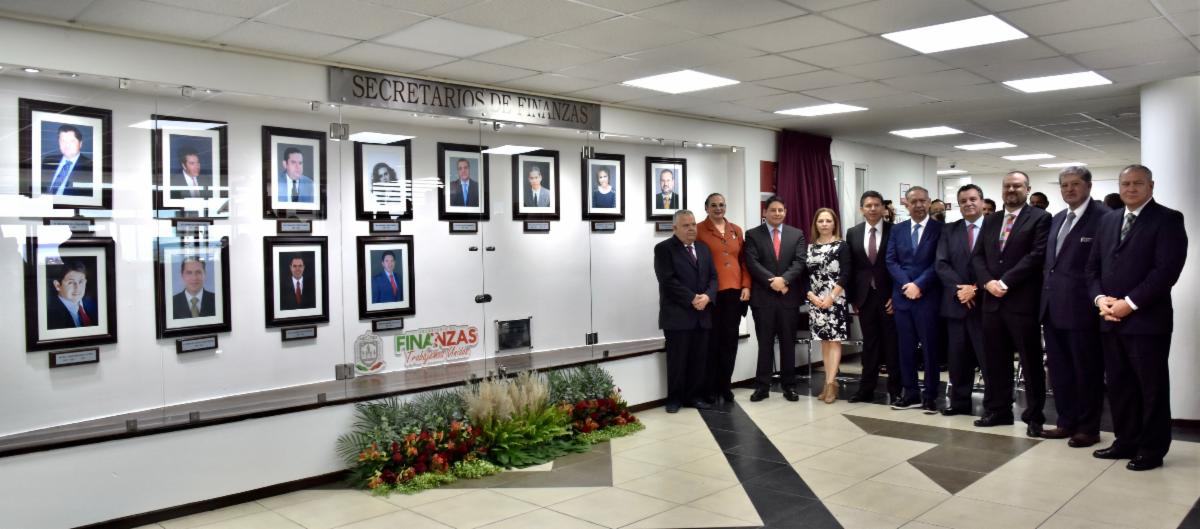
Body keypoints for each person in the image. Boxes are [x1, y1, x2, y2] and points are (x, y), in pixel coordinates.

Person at [1087, 164, 1187, 471]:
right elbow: (1092, 268)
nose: (1131, 188)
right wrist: (1101, 299)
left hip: (1146, 322)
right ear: (1119, 187)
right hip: (1109, 318)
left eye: (1138, 183)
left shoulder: (1168, 219)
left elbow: (1166, 272)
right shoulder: (1108, 220)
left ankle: (1152, 448)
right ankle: (1125, 441)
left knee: (1150, 387)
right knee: (1119, 385)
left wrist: (1129, 304)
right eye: (1126, 183)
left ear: (1151, 186)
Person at [972, 171, 1051, 437]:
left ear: (1027, 189)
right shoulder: (990, 219)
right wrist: (987, 282)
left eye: (1017, 186)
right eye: (1007, 186)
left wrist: (1005, 282)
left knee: (1030, 363)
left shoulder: (1040, 218)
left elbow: (1036, 255)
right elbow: (978, 257)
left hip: (1022, 303)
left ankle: (1034, 416)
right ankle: (999, 410)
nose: (1011, 190)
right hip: (991, 303)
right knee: (995, 361)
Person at [1040, 166, 1109, 446]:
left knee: (1087, 372)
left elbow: (1104, 266)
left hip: (1083, 310)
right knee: (1060, 372)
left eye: (1075, 184)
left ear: (1089, 186)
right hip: (1052, 309)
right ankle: (1065, 422)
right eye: (1064, 185)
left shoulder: (1104, 218)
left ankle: (1088, 428)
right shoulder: (1057, 219)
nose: (1069, 189)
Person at [744, 196, 807, 402]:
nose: (777, 213)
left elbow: (800, 262)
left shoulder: (796, 234)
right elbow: (752, 263)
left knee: (788, 343)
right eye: (773, 210)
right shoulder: (753, 234)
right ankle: (762, 387)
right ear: (765, 212)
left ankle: (789, 386)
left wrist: (784, 280)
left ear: (785, 212)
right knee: (765, 344)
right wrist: (773, 282)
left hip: (788, 298)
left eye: (781, 210)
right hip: (763, 299)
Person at [653, 209, 717, 413]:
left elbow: (713, 278)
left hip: (702, 314)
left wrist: (707, 296)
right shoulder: (663, 249)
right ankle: (674, 399)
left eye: (693, 224)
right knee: (677, 361)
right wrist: (692, 299)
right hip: (677, 316)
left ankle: (694, 397)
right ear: (675, 228)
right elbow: (667, 280)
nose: (691, 229)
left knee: (699, 360)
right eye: (686, 225)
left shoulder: (703, 248)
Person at [886, 186, 943, 412]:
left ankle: (930, 395)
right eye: (914, 201)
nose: (918, 205)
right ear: (906, 204)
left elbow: (939, 262)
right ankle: (910, 393)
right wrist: (907, 285)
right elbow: (891, 261)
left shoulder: (940, 229)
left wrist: (919, 285)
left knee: (930, 349)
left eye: (922, 201)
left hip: (928, 297)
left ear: (929, 202)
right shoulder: (897, 230)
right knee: (905, 349)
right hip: (903, 298)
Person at [845, 191, 901, 403]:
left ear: (883, 208)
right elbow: (851, 267)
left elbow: (900, 264)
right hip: (865, 297)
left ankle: (896, 390)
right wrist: (854, 298)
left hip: (889, 297)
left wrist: (897, 295)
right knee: (869, 345)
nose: (873, 209)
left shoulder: (895, 231)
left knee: (892, 344)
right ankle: (865, 389)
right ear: (862, 209)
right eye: (868, 205)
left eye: (877, 205)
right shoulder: (853, 233)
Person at [935, 184, 986, 416]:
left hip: (985, 304)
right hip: (956, 304)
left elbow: (998, 264)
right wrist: (962, 290)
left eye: (973, 199)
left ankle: (995, 405)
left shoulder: (994, 227)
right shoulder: (949, 230)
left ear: (982, 201)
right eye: (963, 200)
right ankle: (959, 402)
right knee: (958, 358)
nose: (968, 203)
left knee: (989, 358)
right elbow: (941, 264)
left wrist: (975, 289)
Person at [696, 193, 750, 404]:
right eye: (714, 205)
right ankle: (710, 387)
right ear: (706, 208)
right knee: (712, 342)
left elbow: (744, 261)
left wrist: (746, 285)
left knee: (729, 341)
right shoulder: (699, 230)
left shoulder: (736, 230)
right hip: (712, 294)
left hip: (734, 293)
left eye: (721, 205)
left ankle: (725, 386)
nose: (718, 208)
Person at [806, 208, 850, 404]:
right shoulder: (810, 248)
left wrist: (831, 297)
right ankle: (828, 381)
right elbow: (804, 276)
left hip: (835, 299)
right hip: (816, 301)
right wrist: (811, 296)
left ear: (834, 224)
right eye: (820, 221)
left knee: (834, 341)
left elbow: (846, 274)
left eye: (828, 221)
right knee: (824, 341)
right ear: (815, 224)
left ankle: (831, 384)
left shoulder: (842, 246)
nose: (824, 224)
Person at [42, 124, 93, 197]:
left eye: (72, 141)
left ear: (80, 144)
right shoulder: (48, 161)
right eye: (63, 141)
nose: (67, 145)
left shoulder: (90, 166)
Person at [46, 260, 98, 329]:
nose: (77, 288)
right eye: (71, 283)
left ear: (85, 282)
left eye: (81, 282)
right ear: (57, 285)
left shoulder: (93, 306)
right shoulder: (50, 315)